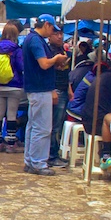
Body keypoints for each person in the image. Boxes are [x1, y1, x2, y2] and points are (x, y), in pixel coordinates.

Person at [22, 15, 69, 175]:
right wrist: (56, 59)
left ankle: (30, 160)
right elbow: (43, 64)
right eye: (52, 29)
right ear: (47, 25)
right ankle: (38, 163)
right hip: (40, 89)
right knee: (42, 128)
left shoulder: (32, 39)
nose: (53, 33)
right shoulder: (36, 40)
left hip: (36, 88)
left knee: (33, 127)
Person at [0, 22, 26, 153]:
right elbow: (21, 67)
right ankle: (11, 143)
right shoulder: (16, 50)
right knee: (11, 114)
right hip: (14, 86)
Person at [46, 27, 70, 167]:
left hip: (63, 89)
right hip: (56, 91)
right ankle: (52, 156)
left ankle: (54, 154)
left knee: (58, 124)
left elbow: (66, 74)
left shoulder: (62, 51)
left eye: (61, 33)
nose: (60, 36)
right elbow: (48, 72)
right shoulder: (50, 52)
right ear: (50, 36)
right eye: (56, 34)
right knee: (54, 125)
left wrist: (69, 89)